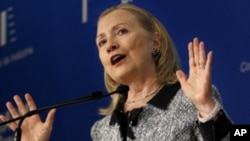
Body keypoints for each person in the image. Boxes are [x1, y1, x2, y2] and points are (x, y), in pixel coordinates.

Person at [0, 3, 232, 141]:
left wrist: (207, 109)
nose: (109, 44)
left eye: (121, 31)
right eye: (101, 42)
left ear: (156, 43)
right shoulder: (102, 130)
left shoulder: (191, 99)